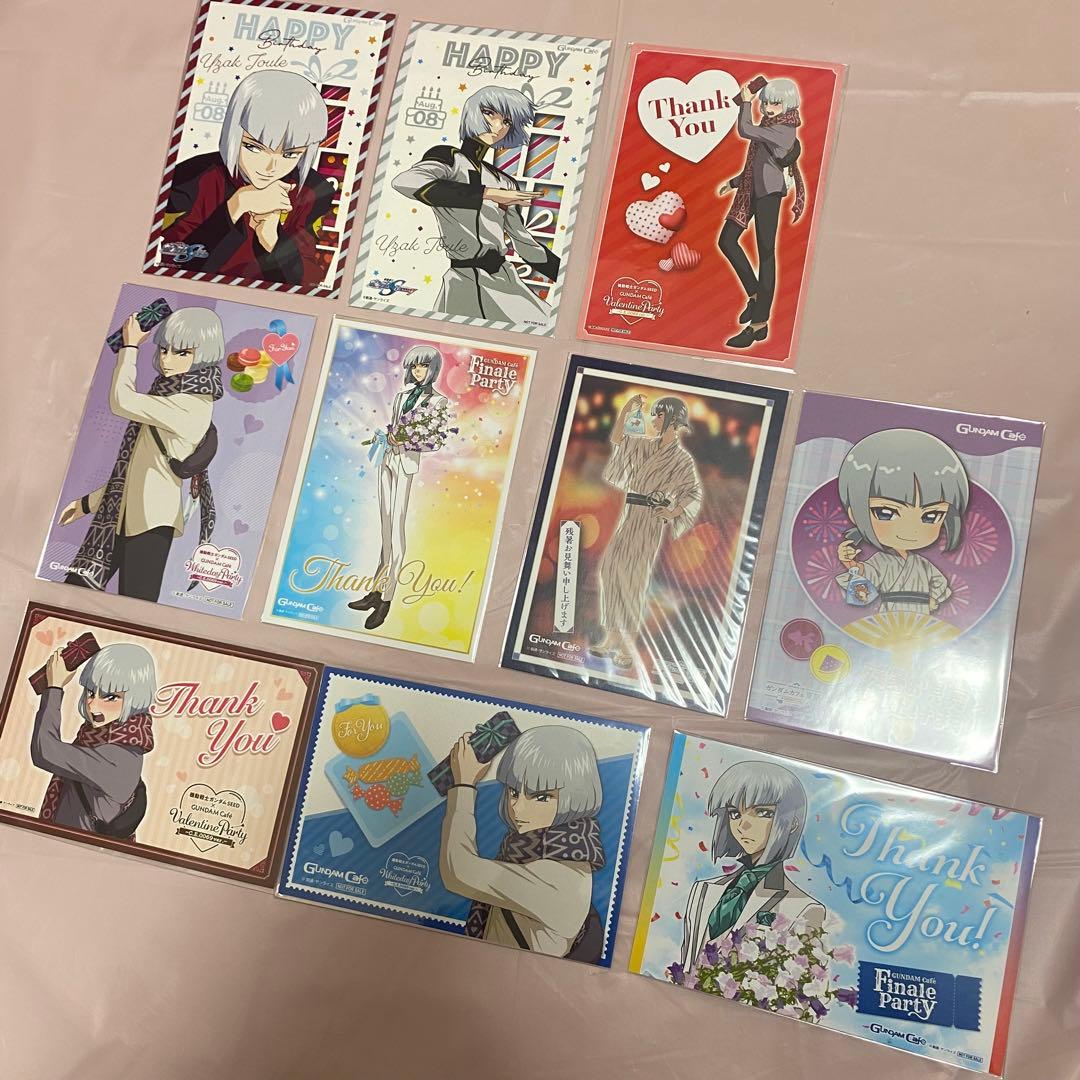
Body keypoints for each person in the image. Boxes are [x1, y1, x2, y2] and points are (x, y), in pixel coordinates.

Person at [59, 308, 224, 602]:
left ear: (205, 355)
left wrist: (129, 348)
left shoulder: (192, 405)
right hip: (120, 517)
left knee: (135, 605)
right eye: (164, 350)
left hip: (152, 523)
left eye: (182, 352)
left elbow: (122, 401)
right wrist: (86, 504)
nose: (167, 360)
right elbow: (135, 470)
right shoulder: (165, 394)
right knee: (73, 593)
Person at [391, 85, 559, 324]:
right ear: (472, 113)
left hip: (505, 282)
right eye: (490, 113)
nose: (498, 126)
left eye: (507, 121)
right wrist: (488, 194)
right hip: (463, 283)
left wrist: (570, 280)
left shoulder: (504, 181)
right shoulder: (448, 158)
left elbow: (526, 246)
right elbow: (405, 182)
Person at [440, 725, 606, 960]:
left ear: (575, 796)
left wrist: (464, 786)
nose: (518, 807)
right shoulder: (526, 852)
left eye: (541, 797)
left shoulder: (562, 878)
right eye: (514, 792)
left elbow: (459, 871)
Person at [162, 70, 332, 287]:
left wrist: (273, 240)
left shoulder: (313, 191)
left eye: (290, 154)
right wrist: (234, 207)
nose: (270, 167)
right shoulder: (193, 177)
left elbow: (311, 282)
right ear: (233, 133)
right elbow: (168, 260)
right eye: (254, 147)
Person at [590, 394, 702, 670]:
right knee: (610, 570)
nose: (654, 419)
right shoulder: (645, 446)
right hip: (630, 515)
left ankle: (626, 643)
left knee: (633, 578)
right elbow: (619, 439)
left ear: (673, 420)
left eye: (659, 415)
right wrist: (627, 410)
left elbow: (691, 491)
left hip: (649, 520)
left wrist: (673, 512)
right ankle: (612, 634)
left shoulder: (681, 459)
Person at [681, 760, 824, 973]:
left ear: (793, 822)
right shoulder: (702, 890)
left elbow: (798, 983)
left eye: (762, 812)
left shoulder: (804, 909)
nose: (743, 825)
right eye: (734, 813)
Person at [348, 346, 450, 629]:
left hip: (406, 464)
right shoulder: (401, 396)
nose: (418, 371)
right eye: (414, 367)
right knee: (385, 529)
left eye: (423, 366)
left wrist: (406, 440)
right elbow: (395, 425)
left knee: (397, 532)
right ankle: (375, 590)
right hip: (387, 460)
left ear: (433, 369)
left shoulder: (439, 402)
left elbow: (435, 440)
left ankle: (386, 599)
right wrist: (389, 436)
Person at [834, 428, 970, 615]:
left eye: (931, 516)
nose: (911, 529)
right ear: (855, 514)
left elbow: (939, 583)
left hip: (922, 613)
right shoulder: (881, 561)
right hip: (889, 613)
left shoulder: (922, 564)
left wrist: (933, 598)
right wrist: (849, 562)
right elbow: (865, 576)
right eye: (886, 512)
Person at [32, 642, 157, 840]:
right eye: (90, 692)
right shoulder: (95, 738)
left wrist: (54, 688)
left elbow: (45, 751)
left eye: (110, 697)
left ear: (135, 698)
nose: (93, 706)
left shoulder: (119, 757)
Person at [715, 77, 806, 349]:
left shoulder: (785, 129)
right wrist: (734, 182)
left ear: (787, 104)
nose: (767, 108)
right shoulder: (768, 125)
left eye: (774, 103)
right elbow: (759, 163)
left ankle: (759, 324)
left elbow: (745, 129)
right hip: (752, 188)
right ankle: (756, 295)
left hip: (769, 194)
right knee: (727, 241)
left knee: (766, 254)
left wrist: (745, 102)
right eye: (765, 102)